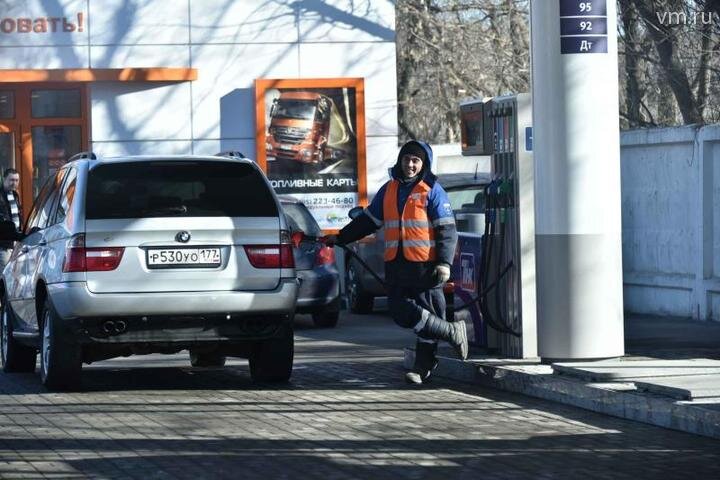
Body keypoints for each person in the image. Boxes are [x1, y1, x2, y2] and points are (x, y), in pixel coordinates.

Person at [324, 140, 466, 385]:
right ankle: (450, 331)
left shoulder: (432, 190)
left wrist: (444, 263)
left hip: (425, 265)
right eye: (406, 159)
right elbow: (368, 221)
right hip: (396, 264)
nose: (410, 165)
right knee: (400, 312)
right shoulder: (388, 190)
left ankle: (422, 367)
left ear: (424, 164)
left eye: (415, 161)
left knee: (427, 316)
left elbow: (447, 230)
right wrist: (341, 237)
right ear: (400, 161)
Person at [0, 168, 22, 269]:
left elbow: (17, 215)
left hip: (15, 241)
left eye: (16, 180)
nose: (14, 183)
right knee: (4, 271)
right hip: (4, 243)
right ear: (4, 179)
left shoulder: (15, 195)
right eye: (11, 180)